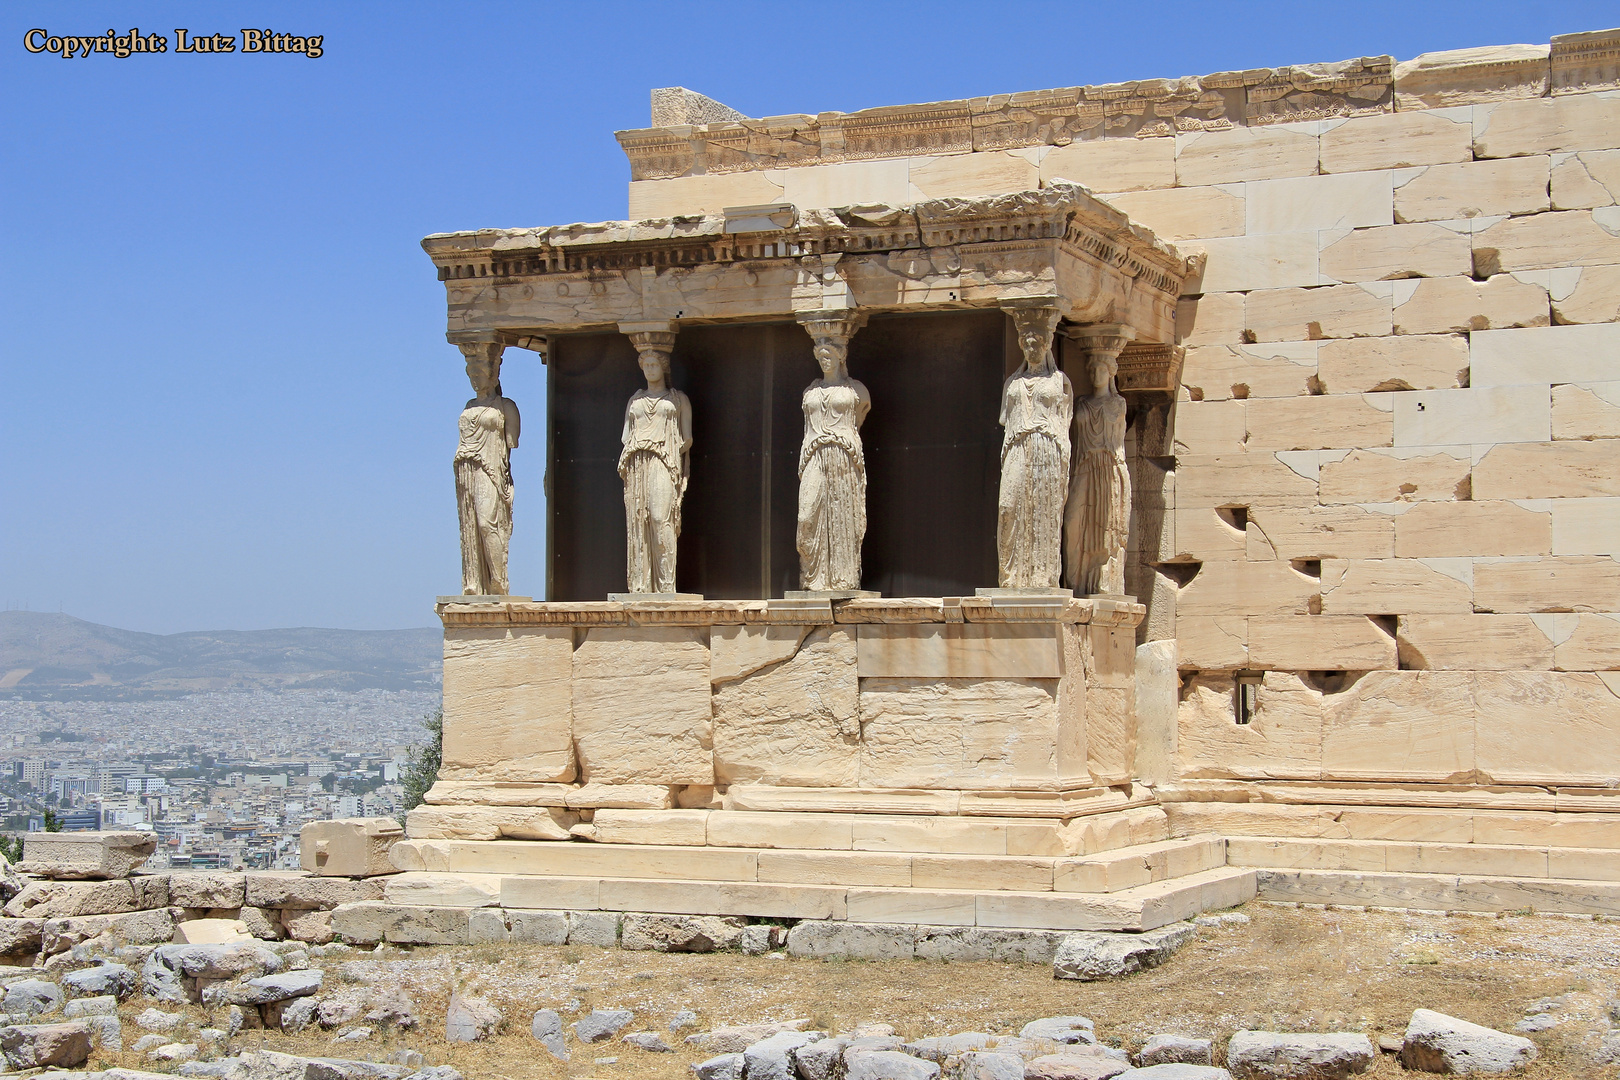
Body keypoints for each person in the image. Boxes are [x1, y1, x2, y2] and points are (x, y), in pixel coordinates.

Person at [997, 310, 1073, 589]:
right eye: (1026, 344)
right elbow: (1006, 420)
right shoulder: (1013, 383)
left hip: (1047, 449)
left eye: (1036, 344)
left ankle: (1042, 577)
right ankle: (1011, 576)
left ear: (1046, 345)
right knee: (1009, 506)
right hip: (1017, 446)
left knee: (1044, 509)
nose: (1031, 349)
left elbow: (1065, 421)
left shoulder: (1059, 382)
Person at [797, 327, 871, 592]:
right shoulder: (810, 392)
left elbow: (858, 420)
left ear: (841, 356)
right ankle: (813, 579)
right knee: (808, 516)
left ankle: (842, 578)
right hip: (813, 454)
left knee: (843, 515)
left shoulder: (857, 390)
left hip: (843, 454)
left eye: (828, 354)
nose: (824, 360)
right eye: (820, 356)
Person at [619, 344, 692, 593]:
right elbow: (625, 437)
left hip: (664, 461)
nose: (650, 369)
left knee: (661, 518)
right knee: (639, 521)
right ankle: (640, 585)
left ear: (664, 367)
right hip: (637, 463)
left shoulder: (677, 399)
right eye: (646, 365)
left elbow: (687, 438)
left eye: (654, 364)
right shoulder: (635, 400)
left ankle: (666, 585)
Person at [454, 347, 520, 596]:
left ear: (493, 375)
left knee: (486, 522)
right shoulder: (469, 405)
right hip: (466, 468)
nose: (474, 379)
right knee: (470, 524)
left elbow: (511, 442)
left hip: (491, 468)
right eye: (471, 374)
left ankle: (499, 580)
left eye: (478, 373)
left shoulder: (506, 406)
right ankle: (474, 583)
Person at [1065, 353, 1131, 595]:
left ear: (1111, 373)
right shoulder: (1081, 403)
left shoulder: (1118, 404)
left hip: (1108, 468)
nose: (1095, 375)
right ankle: (1076, 579)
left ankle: (1103, 582)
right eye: (1092, 370)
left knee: (1106, 527)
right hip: (1083, 466)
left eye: (1100, 370)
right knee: (1073, 522)